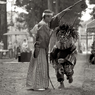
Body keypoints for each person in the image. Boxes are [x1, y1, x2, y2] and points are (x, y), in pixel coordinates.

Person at [26, 9, 70, 91]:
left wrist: (50, 31)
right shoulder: (43, 25)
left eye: (51, 17)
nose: (50, 18)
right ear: (44, 16)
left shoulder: (40, 24)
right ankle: (39, 85)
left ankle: (35, 84)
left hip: (38, 47)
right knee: (40, 66)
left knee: (37, 66)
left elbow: (41, 35)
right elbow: (44, 38)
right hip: (41, 48)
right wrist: (51, 32)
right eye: (48, 17)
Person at [50, 24, 78, 89]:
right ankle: (61, 83)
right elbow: (53, 54)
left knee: (67, 68)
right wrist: (53, 59)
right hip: (59, 60)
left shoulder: (71, 45)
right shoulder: (57, 45)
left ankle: (70, 75)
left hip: (68, 61)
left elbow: (73, 54)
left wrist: (65, 60)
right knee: (59, 69)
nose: (62, 36)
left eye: (64, 34)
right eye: (61, 35)